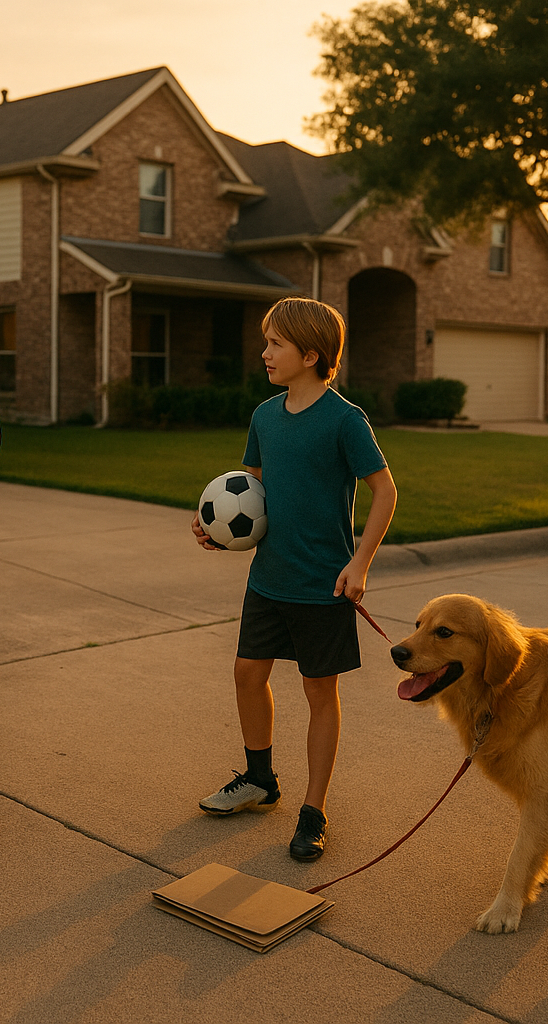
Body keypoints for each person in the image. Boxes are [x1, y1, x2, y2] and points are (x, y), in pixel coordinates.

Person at [191, 297, 397, 861]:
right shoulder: (264, 416)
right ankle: (260, 779)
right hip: (269, 580)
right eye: (266, 342)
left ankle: (313, 810)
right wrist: (218, 528)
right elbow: (250, 489)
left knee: (318, 693)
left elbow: (385, 491)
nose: (265, 353)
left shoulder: (344, 420)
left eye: (276, 344)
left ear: (311, 354)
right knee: (246, 674)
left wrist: (359, 564)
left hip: (321, 586)